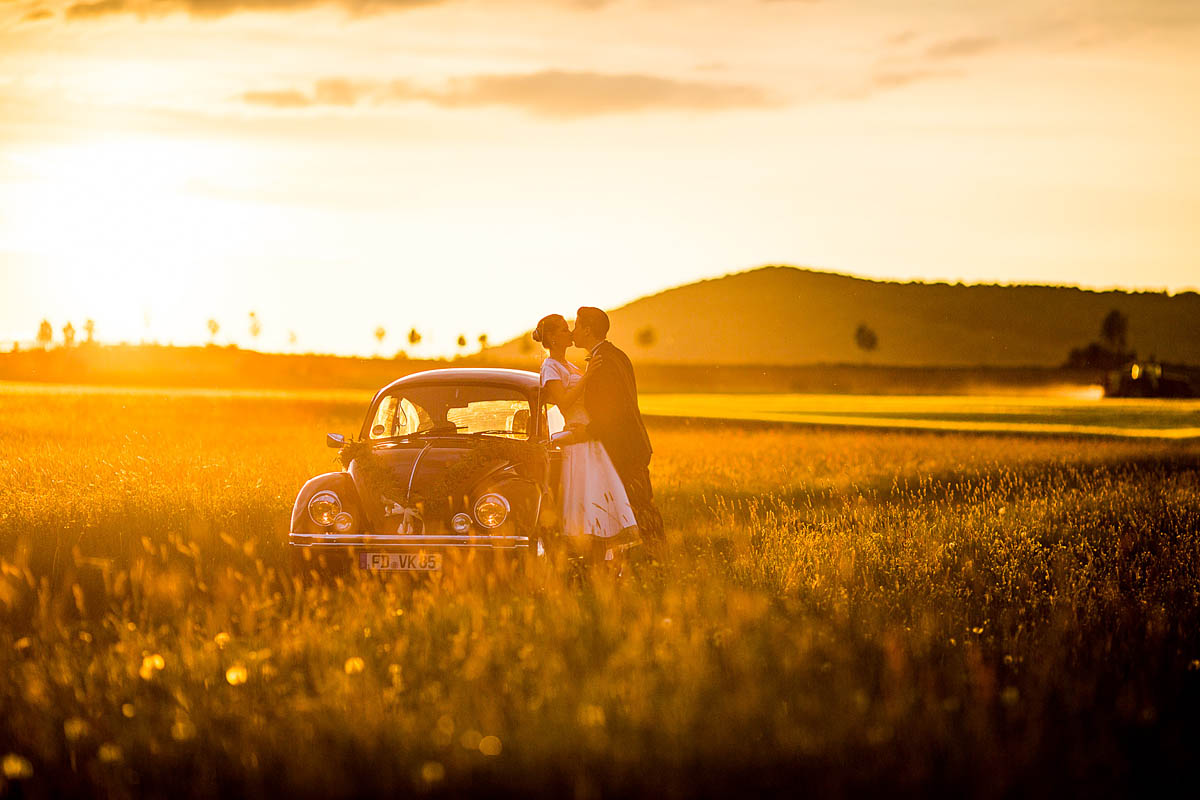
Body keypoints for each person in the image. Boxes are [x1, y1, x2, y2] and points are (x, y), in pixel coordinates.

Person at [533, 313, 638, 561]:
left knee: (599, 495)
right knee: (584, 496)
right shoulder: (550, 367)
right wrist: (588, 378)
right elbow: (564, 402)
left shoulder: (571, 366)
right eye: (562, 329)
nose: (569, 331)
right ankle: (583, 556)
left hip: (590, 436)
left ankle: (600, 556)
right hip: (576, 436)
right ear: (551, 338)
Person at [572, 306, 665, 545]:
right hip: (631, 446)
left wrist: (587, 432)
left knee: (639, 507)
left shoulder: (603, 362)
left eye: (577, 325)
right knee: (638, 507)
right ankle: (648, 558)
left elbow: (614, 410)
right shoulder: (616, 354)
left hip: (625, 449)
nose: (573, 331)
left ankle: (657, 559)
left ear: (588, 329)